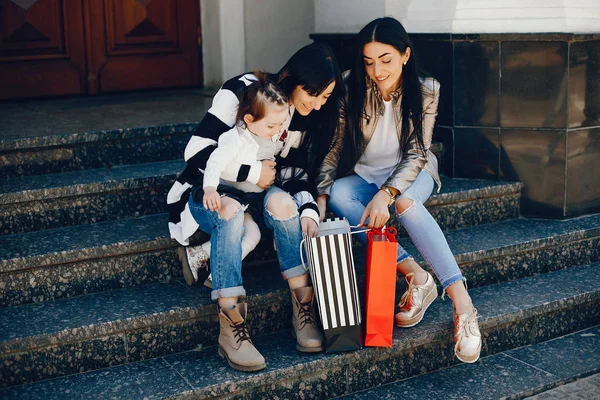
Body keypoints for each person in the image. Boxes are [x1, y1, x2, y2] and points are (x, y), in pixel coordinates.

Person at [166, 42, 344, 371]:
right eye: (315, 94)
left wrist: (308, 210)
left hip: (255, 193)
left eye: (325, 99)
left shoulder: (301, 120)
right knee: (231, 215)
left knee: (285, 206)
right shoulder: (242, 92)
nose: (319, 106)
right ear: (295, 78)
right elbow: (197, 152)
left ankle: (302, 308)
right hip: (211, 191)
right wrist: (252, 172)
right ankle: (231, 325)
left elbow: (292, 173)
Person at [316, 17, 482, 364]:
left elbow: (418, 152)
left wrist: (386, 194)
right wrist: (319, 197)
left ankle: (462, 305)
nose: (376, 70)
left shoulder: (427, 89)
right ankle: (417, 276)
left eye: (386, 59)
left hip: (412, 172)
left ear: (405, 55)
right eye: (368, 61)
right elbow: (333, 146)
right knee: (340, 195)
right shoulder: (350, 86)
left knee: (405, 203)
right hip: (364, 173)